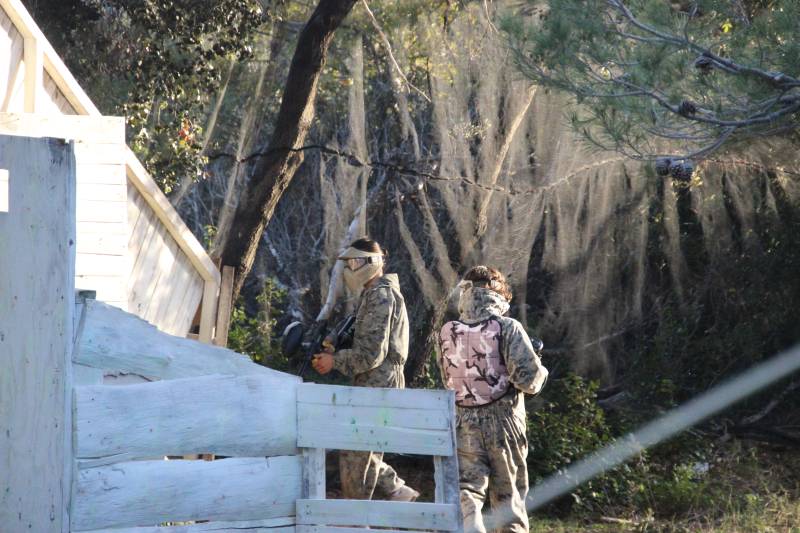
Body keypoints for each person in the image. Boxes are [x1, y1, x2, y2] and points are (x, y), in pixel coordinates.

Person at [437, 266, 548, 533]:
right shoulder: (508, 326)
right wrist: (541, 366)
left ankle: (471, 526)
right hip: (504, 423)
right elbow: (529, 381)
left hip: (463, 421)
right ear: (499, 294)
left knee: (469, 490)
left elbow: (447, 380)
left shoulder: (448, 330)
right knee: (509, 497)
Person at [312, 237, 420, 502]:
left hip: (379, 386)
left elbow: (371, 354)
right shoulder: (375, 294)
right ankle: (396, 492)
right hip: (376, 384)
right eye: (349, 263)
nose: (350, 269)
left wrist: (334, 362)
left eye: (355, 262)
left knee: (356, 456)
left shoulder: (380, 295)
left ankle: (357, 518)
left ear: (373, 263)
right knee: (365, 449)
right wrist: (334, 352)